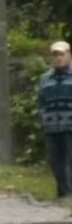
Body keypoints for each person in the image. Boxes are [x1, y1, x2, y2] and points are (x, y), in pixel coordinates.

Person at [39, 41, 72, 197]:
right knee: (55, 162)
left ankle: (69, 193)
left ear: (69, 55)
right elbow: (41, 101)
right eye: (55, 55)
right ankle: (62, 192)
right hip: (52, 126)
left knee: (70, 160)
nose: (59, 58)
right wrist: (43, 118)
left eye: (62, 54)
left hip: (70, 125)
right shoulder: (46, 78)